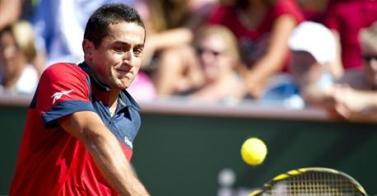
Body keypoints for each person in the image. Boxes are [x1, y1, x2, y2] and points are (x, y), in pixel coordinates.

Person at [9, 4, 149, 195]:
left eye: (137, 51)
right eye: (119, 48)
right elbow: (94, 135)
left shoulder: (131, 114)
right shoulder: (61, 76)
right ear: (89, 50)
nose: (130, 60)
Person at [207, 0, 304, 98]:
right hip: (239, 81)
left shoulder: (282, 7)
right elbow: (227, 53)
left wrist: (245, 86)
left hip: (279, 85)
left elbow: (276, 58)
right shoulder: (227, 11)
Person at [182, 25, 245, 103]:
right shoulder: (186, 91)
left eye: (215, 53)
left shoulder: (242, 95)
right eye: (200, 51)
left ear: (231, 58)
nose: (205, 58)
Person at [329, 22, 377, 122]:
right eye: (367, 58)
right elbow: (313, 94)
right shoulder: (349, 80)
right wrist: (334, 102)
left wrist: (363, 99)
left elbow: (356, 100)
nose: (373, 66)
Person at [0, 20, 39, 95]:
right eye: (2, 46)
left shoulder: (36, 93)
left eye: (16, 46)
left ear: (26, 50)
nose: (6, 54)